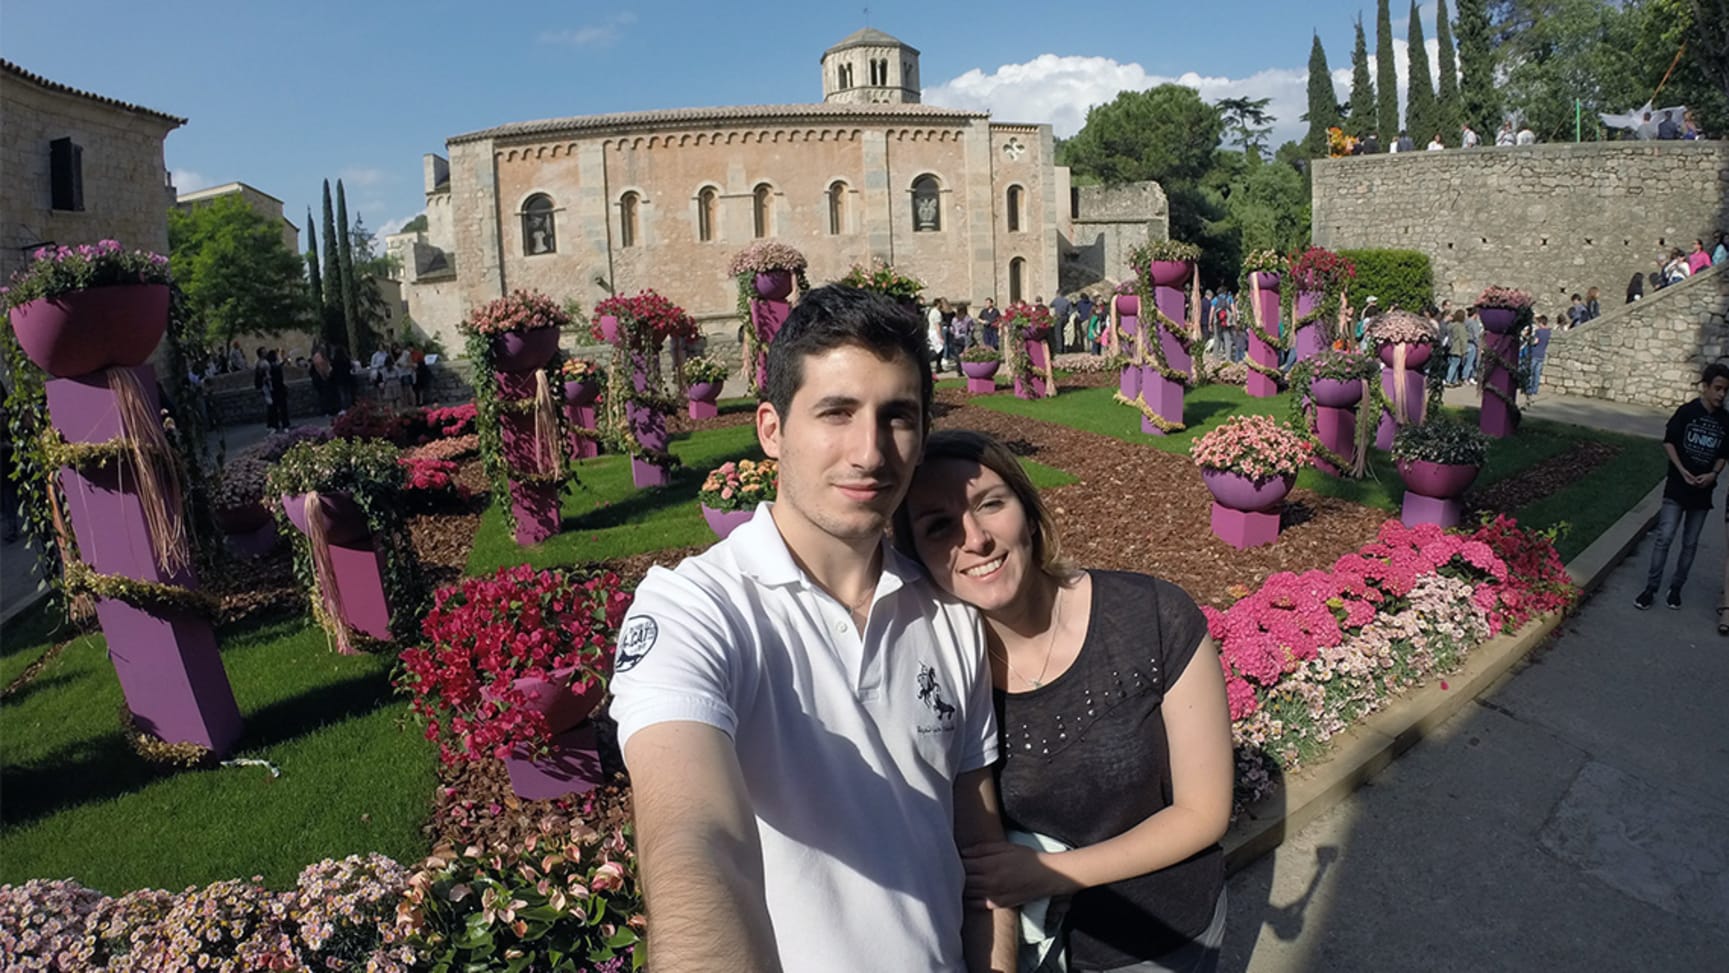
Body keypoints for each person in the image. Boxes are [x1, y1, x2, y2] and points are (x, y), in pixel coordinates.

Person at [610, 285, 1014, 972]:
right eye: (836, 412)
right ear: (771, 429)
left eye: (897, 417)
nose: (869, 451)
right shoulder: (696, 608)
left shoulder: (950, 619)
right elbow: (691, 838)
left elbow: (979, 858)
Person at [896, 429, 1233, 973]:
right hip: (1025, 952)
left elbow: (1203, 812)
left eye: (990, 504)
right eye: (939, 527)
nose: (975, 539)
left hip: (1163, 937)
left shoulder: (1152, 616)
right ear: (918, 559)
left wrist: (1051, 873)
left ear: (1028, 513)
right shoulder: (937, 674)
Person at [1635, 362, 1729, 611]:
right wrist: (1681, 470)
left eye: (1725, 391)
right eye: (1718, 388)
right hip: (1678, 487)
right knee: (1664, 537)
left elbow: (1724, 454)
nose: (1721, 395)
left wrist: (1713, 474)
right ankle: (1650, 588)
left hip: (1702, 492)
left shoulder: (1725, 420)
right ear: (1706, 387)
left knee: (1690, 543)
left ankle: (1676, 588)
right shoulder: (1687, 412)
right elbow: (1669, 442)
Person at [1524, 315, 1551, 403]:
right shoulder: (1548, 332)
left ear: (1540, 323)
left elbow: (1535, 341)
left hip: (1535, 353)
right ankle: (1535, 389)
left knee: (1531, 372)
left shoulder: (1538, 331)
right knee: (1537, 373)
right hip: (1542, 354)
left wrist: (1529, 340)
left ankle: (1529, 389)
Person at [266, 349, 291, 431]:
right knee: (282, 408)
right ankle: (284, 425)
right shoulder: (272, 366)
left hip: (274, 390)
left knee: (275, 408)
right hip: (278, 389)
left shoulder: (270, 366)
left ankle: (276, 425)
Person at [1445, 309, 1470, 387]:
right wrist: (1464, 350)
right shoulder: (1460, 326)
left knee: (1453, 363)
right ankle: (1448, 380)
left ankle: (1454, 380)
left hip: (1451, 347)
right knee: (1454, 364)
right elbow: (1463, 339)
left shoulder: (1450, 325)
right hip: (1457, 348)